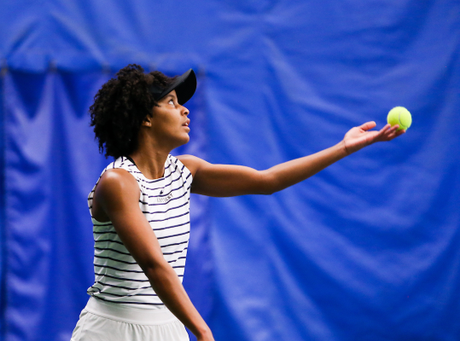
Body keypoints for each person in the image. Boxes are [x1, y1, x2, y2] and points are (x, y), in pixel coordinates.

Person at [70, 64, 404, 341]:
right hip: (111, 328)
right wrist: (202, 330)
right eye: (171, 102)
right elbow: (155, 266)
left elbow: (267, 181)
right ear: (145, 118)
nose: (184, 109)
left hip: (167, 325)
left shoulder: (186, 170)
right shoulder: (118, 183)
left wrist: (344, 148)